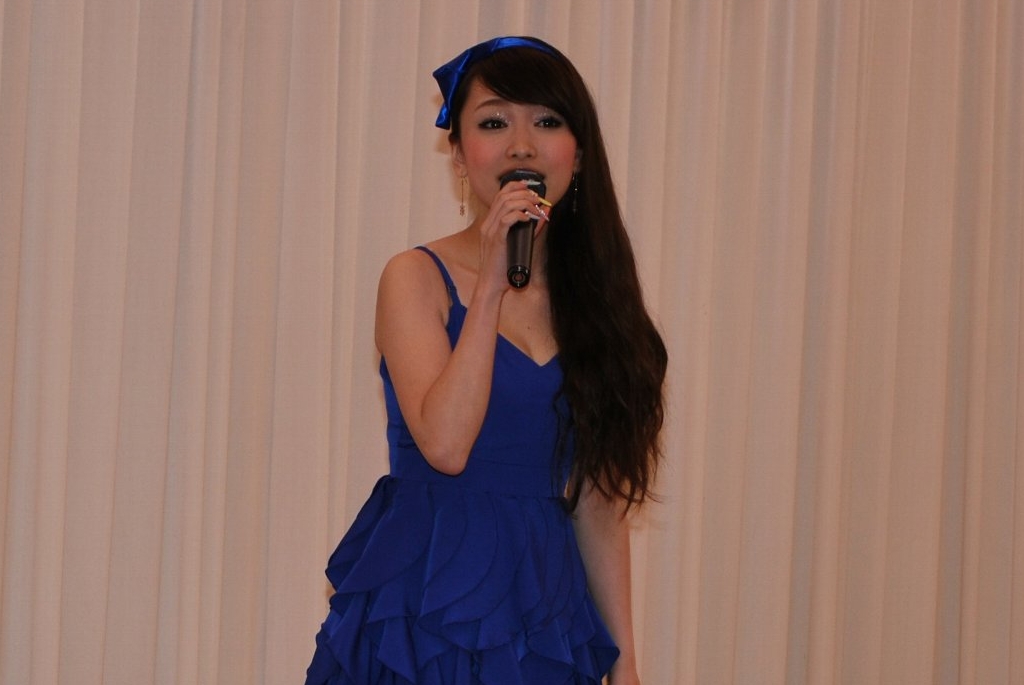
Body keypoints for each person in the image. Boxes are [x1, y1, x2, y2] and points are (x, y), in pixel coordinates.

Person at [305, 36, 667, 685]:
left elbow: (598, 499)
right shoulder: (415, 277)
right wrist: (493, 285)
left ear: (579, 154)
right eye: (494, 123)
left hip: (543, 609)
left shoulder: (598, 305)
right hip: (428, 600)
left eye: (547, 122)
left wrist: (627, 665)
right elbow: (446, 445)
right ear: (458, 154)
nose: (521, 146)